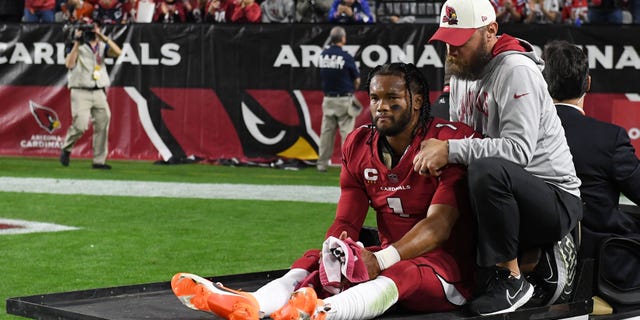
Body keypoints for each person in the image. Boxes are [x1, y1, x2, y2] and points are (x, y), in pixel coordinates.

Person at [170, 62, 481, 320]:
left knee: (404, 273)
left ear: (416, 101)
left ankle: (322, 312)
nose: (381, 106)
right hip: (390, 256)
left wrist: (381, 260)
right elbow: (347, 221)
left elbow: (439, 226)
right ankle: (254, 304)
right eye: (374, 98)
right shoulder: (359, 144)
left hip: (445, 271)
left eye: (392, 97)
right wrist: (335, 251)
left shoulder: (447, 143)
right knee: (317, 260)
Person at [418, 0, 583, 315]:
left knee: (485, 167)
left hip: (553, 195)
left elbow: (517, 151)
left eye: (459, 42)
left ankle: (511, 278)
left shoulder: (515, 70)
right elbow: (462, 133)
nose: (451, 51)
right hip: (506, 195)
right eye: (446, 42)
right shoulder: (463, 70)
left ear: (490, 30)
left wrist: (450, 150)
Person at [541, 39, 640, 278]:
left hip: (540, 264)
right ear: (587, 82)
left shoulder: (520, 138)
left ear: (543, 84)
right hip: (604, 268)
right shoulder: (609, 138)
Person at [59, 19, 122, 170]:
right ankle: (67, 148)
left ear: (99, 28)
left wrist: (103, 37)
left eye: (93, 27)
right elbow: (69, 64)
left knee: (102, 123)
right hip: (81, 90)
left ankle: (99, 161)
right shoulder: (74, 44)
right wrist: (76, 43)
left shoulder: (102, 45)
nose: (91, 31)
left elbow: (118, 52)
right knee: (80, 125)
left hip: (99, 90)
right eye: (88, 28)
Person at [316, 26, 361, 173]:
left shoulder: (323, 55)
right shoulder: (346, 57)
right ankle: (347, 166)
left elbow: (321, 75)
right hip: (343, 99)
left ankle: (322, 164)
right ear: (343, 38)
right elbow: (357, 80)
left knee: (326, 134)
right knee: (347, 135)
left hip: (328, 99)